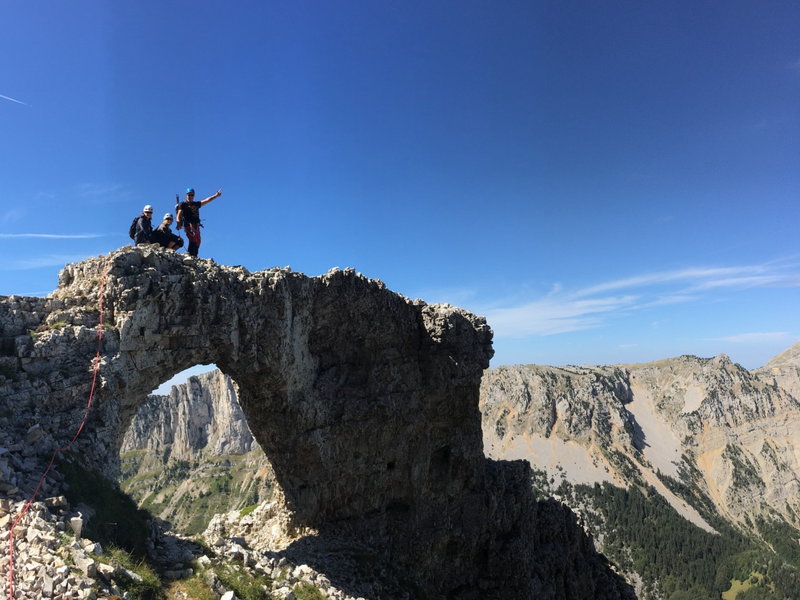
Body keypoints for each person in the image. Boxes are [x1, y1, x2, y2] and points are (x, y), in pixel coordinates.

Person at [176, 187, 222, 257]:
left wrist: (215, 196)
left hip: (196, 225)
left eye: (192, 195)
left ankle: (194, 255)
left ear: (194, 195)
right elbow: (179, 214)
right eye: (189, 195)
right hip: (188, 224)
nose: (190, 196)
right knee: (193, 238)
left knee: (198, 241)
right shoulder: (183, 204)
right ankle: (190, 255)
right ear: (186, 195)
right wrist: (178, 222)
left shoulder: (196, 204)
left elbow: (207, 200)